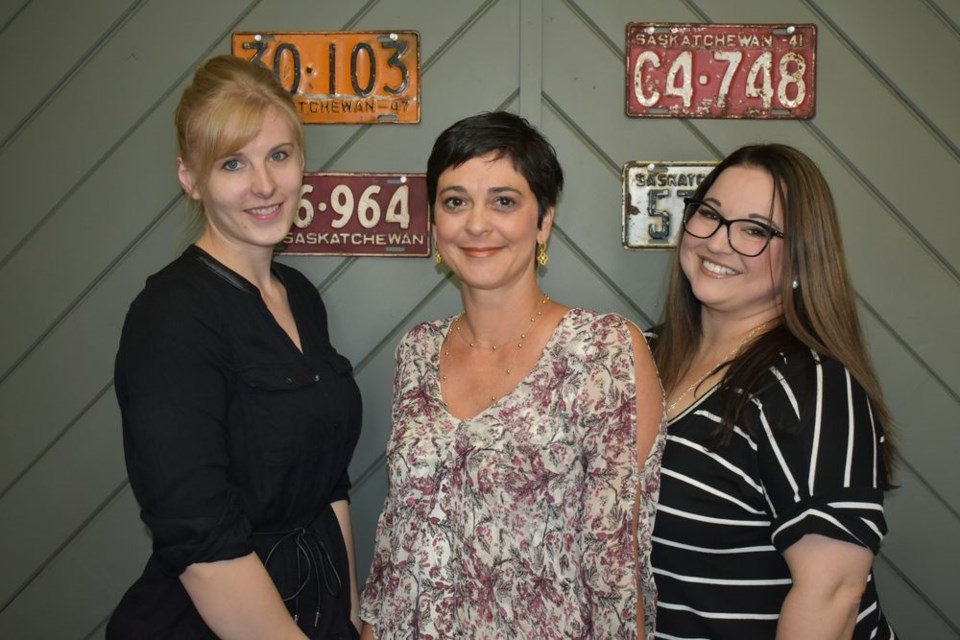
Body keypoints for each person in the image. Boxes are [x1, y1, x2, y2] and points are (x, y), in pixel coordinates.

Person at [359, 111, 665, 639]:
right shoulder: (418, 350)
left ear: (544, 220)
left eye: (504, 201)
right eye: (455, 202)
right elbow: (396, 545)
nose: (477, 224)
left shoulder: (603, 350)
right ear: (434, 221)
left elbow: (617, 559)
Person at [107, 55, 362, 639]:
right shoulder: (170, 317)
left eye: (279, 155)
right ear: (190, 178)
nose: (265, 185)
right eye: (232, 164)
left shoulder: (298, 294)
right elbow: (202, 543)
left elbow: (330, 486)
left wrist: (348, 619)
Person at [649, 143, 896, 638]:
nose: (719, 243)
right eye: (709, 215)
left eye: (756, 230)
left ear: (802, 258)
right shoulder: (644, 357)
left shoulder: (813, 390)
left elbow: (832, 595)